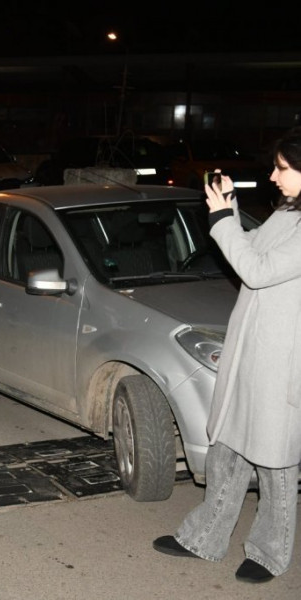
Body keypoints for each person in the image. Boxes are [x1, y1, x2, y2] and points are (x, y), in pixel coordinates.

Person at [152, 127, 301, 584]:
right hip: (250, 351)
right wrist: (229, 207)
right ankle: (205, 536)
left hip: (283, 360)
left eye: (282, 168)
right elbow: (250, 248)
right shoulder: (288, 213)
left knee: (275, 462)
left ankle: (269, 553)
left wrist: (220, 219)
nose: (273, 177)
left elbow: (256, 271)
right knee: (228, 448)